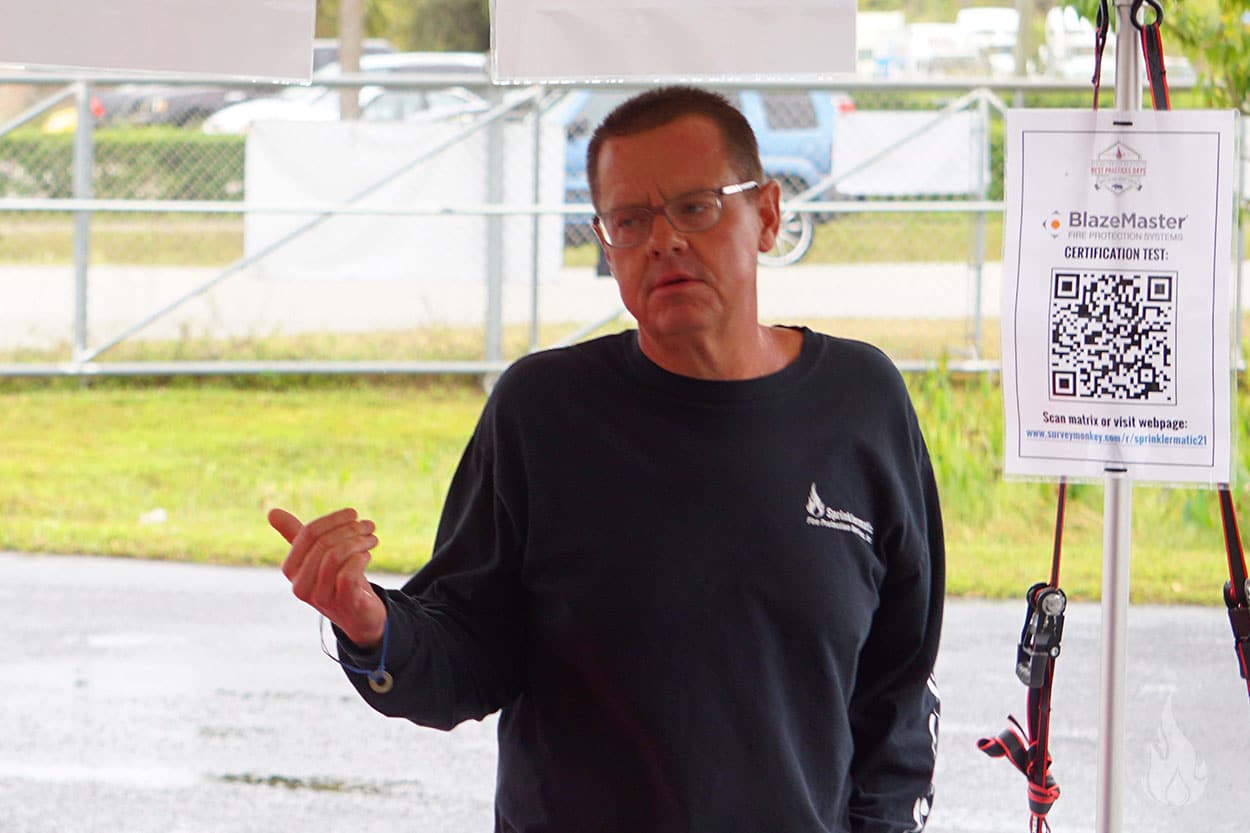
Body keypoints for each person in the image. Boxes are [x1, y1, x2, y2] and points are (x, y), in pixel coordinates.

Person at [270, 85, 945, 833]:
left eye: (696, 207)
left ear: (767, 214)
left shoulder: (860, 399)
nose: (664, 241)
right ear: (604, 240)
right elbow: (468, 653)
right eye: (630, 221)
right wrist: (371, 626)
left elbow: (900, 681)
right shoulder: (543, 411)